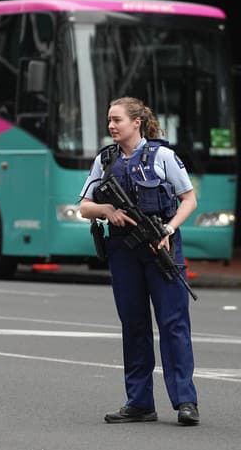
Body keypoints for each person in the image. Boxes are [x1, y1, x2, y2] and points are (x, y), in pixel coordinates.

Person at [79, 97, 200, 426]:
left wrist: (169, 227)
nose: (112, 126)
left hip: (161, 247)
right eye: (108, 121)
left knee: (173, 325)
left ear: (137, 122)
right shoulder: (105, 160)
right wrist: (108, 211)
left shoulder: (162, 156)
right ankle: (140, 402)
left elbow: (188, 199)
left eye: (117, 120)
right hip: (123, 251)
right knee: (134, 326)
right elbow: (84, 206)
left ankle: (186, 401)